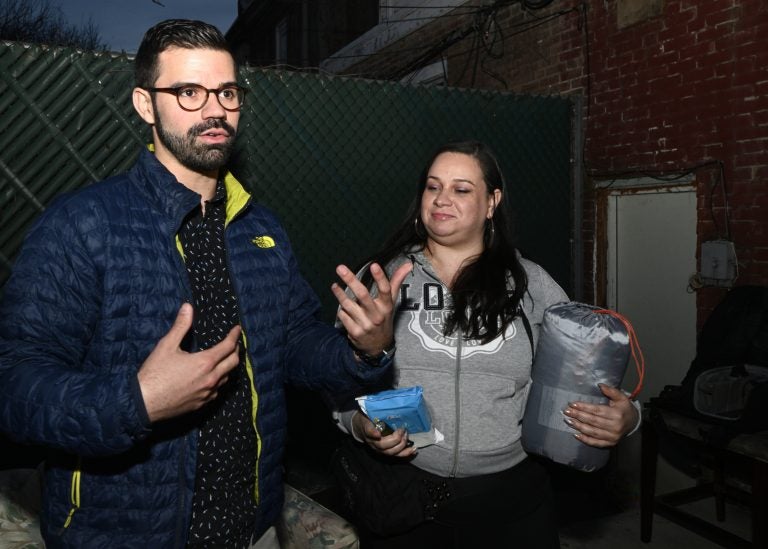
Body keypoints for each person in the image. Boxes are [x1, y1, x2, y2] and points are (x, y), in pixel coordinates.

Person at [0, 19, 410, 549]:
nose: (215, 109)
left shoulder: (260, 227)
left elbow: (293, 344)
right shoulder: (82, 225)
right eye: (189, 92)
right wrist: (136, 400)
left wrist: (364, 351)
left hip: (253, 528)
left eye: (227, 92)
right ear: (146, 105)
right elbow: (13, 384)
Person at [333, 140, 640, 548]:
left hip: (512, 502)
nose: (442, 199)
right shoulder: (382, 279)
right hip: (403, 498)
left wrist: (627, 417)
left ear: (492, 202)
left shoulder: (531, 284)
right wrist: (358, 425)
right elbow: (333, 382)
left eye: (461, 189)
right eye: (432, 186)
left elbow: (591, 379)